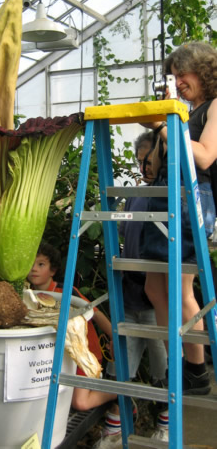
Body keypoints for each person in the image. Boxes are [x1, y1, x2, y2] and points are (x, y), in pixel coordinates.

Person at [140, 41, 217, 395]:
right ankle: (179, 365)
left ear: (202, 71)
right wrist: (157, 128)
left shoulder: (214, 107)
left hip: (191, 201)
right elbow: (156, 167)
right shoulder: (183, 113)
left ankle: (197, 371)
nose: (178, 81)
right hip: (167, 198)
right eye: (173, 76)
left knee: (180, 289)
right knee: (155, 289)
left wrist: (164, 125)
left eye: (182, 73)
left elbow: (202, 157)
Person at [96, 131, 168, 449]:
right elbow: (125, 237)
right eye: (140, 161)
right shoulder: (135, 195)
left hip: (156, 302)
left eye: (149, 160)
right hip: (129, 296)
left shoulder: (169, 194)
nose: (144, 167)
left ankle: (165, 427)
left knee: (162, 370)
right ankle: (115, 429)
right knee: (120, 368)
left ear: (163, 157)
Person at [28, 242, 117, 411]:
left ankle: (116, 392)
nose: (34, 269)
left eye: (40, 264)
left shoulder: (67, 291)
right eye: (31, 264)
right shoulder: (28, 295)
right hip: (57, 359)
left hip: (84, 355)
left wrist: (115, 338)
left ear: (52, 270)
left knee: (80, 403)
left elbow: (95, 313)